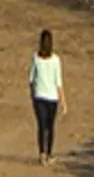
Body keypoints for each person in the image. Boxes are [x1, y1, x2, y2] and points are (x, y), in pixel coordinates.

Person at [28, 28, 66, 165]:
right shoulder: (56, 60)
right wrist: (63, 101)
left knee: (41, 125)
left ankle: (42, 153)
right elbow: (59, 82)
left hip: (39, 97)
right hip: (52, 98)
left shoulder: (35, 58)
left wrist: (32, 94)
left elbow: (31, 79)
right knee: (50, 127)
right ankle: (49, 153)